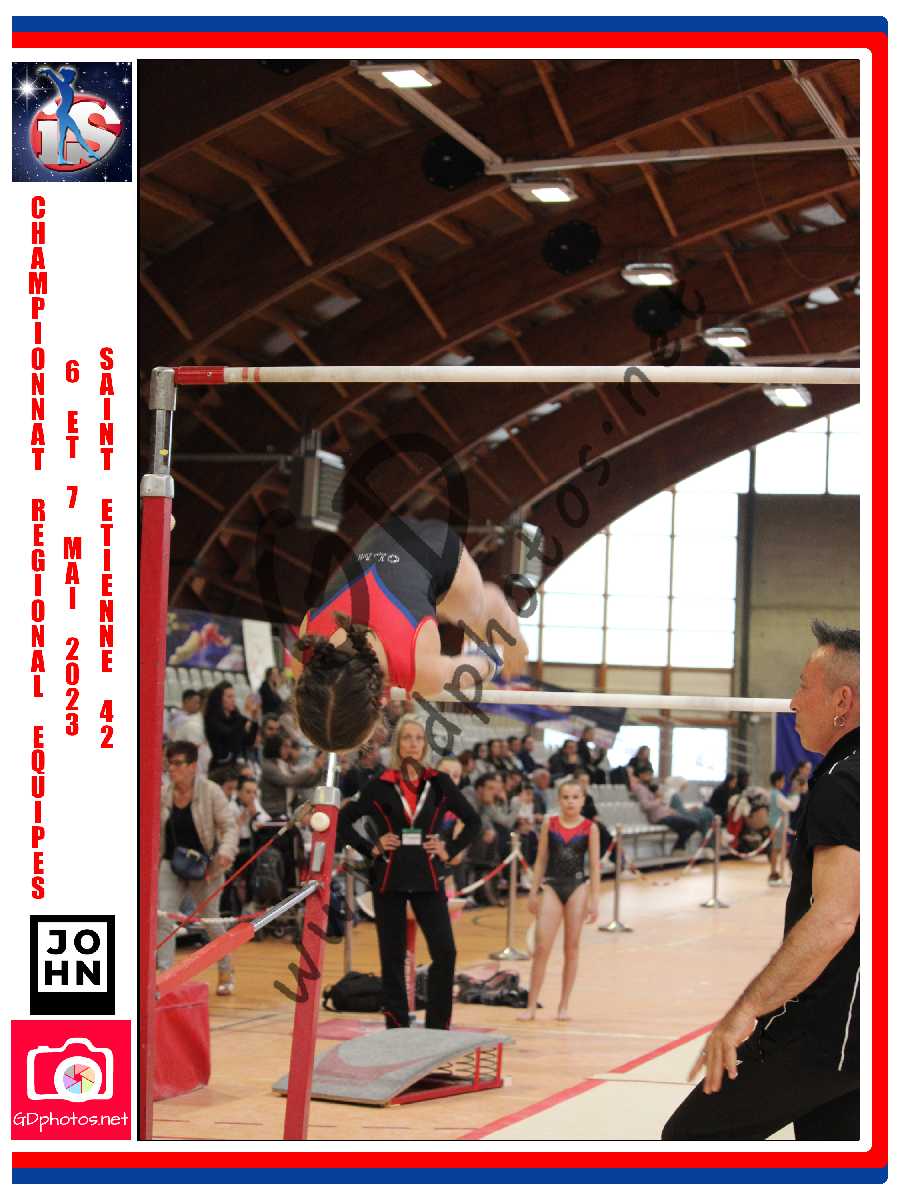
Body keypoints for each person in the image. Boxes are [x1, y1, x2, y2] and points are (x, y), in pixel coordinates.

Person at [662, 620, 860, 1141]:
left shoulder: (847, 781)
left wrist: (746, 1010)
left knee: (690, 1141)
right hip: (865, 1031)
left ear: (842, 701)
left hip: (829, 1027)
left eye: (803, 686)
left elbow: (836, 916)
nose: (793, 702)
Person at [293, 514, 528, 752]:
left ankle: (510, 627)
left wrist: (495, 662)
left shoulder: (419, 670)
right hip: (383, 532)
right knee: (434, 609)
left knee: (476, 615)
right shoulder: (306, 650)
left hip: (437, 549)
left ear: (378, 706)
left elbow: (476, 666)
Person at [337, 714, 481, 1029]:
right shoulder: (380, 784)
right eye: (407, 737)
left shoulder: (439, 783)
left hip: (428, 877)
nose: (413, 744)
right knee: (392, 957)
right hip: (389, 878)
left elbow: (473, 821)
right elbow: (342, 821)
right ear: (398, 744)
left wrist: (449, 849)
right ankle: (397, 1024)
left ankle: (438, 1026)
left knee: (445, 952)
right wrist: (371, 847)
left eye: (418, 738)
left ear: (425, 745)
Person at [157, 741, 239, 996]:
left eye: (178, 763)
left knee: (210, 921)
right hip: (171, 862)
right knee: (163, 917)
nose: (172, 769)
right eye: (169, 763)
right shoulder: (163, 794)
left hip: (206, 866)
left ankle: (226, 969)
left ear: (193, 766)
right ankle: (164, 976)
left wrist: (226, 853)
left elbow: (229, 827)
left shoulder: (211, 791)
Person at [519, 781, 601, 1021]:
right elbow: (541, 859)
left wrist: (594, 900)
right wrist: (533, 891)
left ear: (583, 800)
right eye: (565, 797)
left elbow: (594, 866)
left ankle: (563, 1005)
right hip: (552, 886)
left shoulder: (590, 828)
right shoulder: (550, 823)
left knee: (571, 948)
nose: (570, 802)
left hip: (577, 887)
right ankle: (531, 1005)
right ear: (559, 800)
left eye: (575, 797)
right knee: (541, 948)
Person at [629, 764, 700, 851]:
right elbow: (645, 806)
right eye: (648, 774)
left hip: (665, 815)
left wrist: (669, 810)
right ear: (641, 775)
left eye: (651, 774)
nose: (650, 777)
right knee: (692, 824)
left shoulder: (647, 788)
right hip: (659, 818)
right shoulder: (640, 789)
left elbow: (660, 806)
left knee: (690, 824)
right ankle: (678, 847)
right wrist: (659, 800)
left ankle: (679, 848)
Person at [204, 680, 260, 769]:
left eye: (234, 696)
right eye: (229, 697)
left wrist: (254, 719)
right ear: (219, 699)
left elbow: (249, 741)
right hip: (220, 767)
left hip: (234, 765)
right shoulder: (212, 719)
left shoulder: (235, 716)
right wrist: (246, 713)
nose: (233, 700)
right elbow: (230, 738)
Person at [767, 770, 787, 883]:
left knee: (776, 849)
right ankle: (773, 873)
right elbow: (789, 806)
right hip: (777, 825)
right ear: (777, 782)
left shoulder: (772, 793)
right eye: (782, 781)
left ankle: (774, 872)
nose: (784, 783)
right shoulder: (777, 795)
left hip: (773, 823)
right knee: (776, 849)